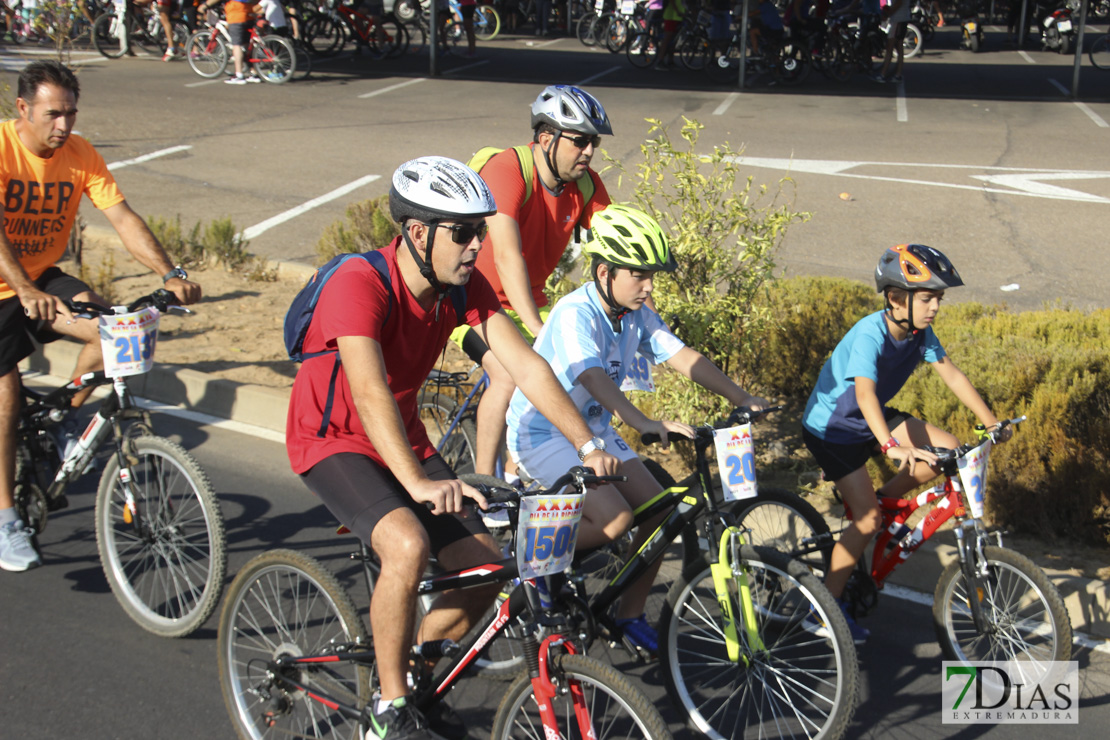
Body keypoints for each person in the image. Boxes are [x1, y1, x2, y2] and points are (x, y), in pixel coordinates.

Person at [285, 156, 620, 740]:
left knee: (485, 568)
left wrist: (587, 444)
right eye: (463, 233)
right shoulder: (359, 283)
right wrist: (414, 482)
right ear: (418, 232)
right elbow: (367, 389)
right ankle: (388, 712)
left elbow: (528, 366)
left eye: (481, 231)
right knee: (406, 542)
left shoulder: (461, 286)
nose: (476, 246)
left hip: (403, 437)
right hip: (332, 437)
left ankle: (415, 676)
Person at [505, 204, 769, 653]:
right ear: (604, 271)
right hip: (544, 431)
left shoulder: (633, 311)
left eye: (652, 276)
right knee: (616, 520)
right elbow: (591, 375)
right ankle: (532, 564)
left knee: (660, 516)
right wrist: (642, 422)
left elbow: (682, 355)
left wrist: (741, 397)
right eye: (639, 275)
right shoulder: (575, 313)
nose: (648, 287)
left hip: (592, 431)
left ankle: (626, 615)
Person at [0, 61, 202, 572]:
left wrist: (169, 272)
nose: (63, 126)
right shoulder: (3, 147)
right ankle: (4, 518)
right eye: (52, 114)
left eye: (70, 113)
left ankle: (66, 417)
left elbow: (122, 218)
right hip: (7, 284)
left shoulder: (79, 153)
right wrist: (21, 286)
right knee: (4, 396)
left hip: (39, 279)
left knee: (113, 330)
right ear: (22, 108)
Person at [801, 244, 1011, 643]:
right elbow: (863, 395)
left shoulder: (919, 333)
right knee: (865, 520)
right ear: (896, 299)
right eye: (927, 297)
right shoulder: (870, 334)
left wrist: (992, 423)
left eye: (938, 299)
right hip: (834, 428)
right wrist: (889, 446)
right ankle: (823, 608)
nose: (934, 307)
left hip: (872, 418)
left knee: (947, 452)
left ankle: (877, 506)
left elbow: (951, 375)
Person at [453, 85, 612, 485]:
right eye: (579, 142)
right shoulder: (507, 170)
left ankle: (516, 468)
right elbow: (506, 257)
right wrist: (541, 331)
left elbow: (617, 247)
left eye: (593, 142)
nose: (589, 152)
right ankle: (485, 486)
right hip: (471, 301)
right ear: (546, 138)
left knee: (575, 374)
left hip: (532, 301)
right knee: (510, 376)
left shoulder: (585, 186)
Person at [199, 0, 259, 83]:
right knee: (246, 45)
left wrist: (205, 5)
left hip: (236, 12)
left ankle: (239, 75)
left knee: (236, 45)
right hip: (248, 9)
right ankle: (253, 72)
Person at [876, 0, 910, 82]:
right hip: (901, 18)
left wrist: (887, 14)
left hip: (897, 19)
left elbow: (898, 3)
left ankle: (883, 74)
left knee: (890, 47)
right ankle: (897, 74)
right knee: (899, 47)